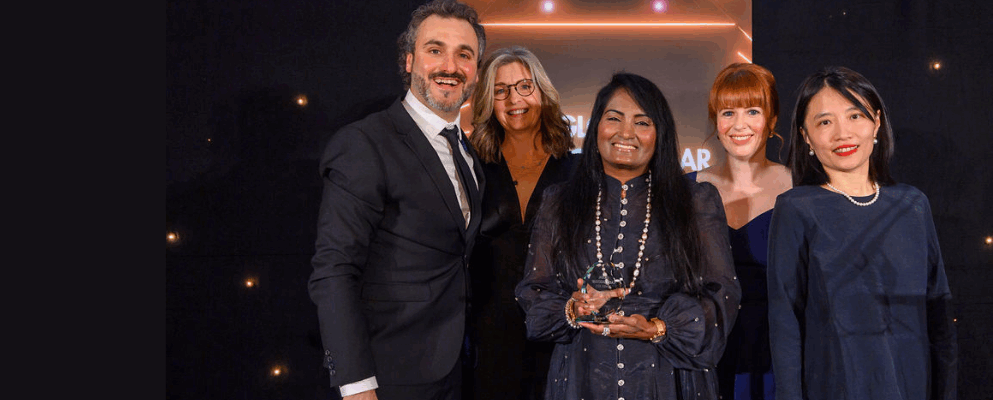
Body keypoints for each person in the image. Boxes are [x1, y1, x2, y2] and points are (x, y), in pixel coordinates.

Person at [515, 72, 741, 400]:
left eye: (642, 122)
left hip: (668, 377)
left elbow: (722, 296)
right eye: (614, 118)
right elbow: (533, 292)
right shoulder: (559, 202)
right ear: (595, 129)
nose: (626, 133)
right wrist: (573, 309)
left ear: (659, 134)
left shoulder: (695, 201)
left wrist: (659, 327)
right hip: (583, 375)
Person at [307, 1, 487, 399]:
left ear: (475, 71)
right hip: (386, 376)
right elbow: (334, 271)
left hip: (454, 370)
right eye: (435, 50)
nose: (450, 66)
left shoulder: (468, 154)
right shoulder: (365, 143)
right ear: (408, 61)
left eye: (465, 54)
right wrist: (355, 385)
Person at [767, 66, 957, 400]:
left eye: (855, 116)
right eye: (825, 122)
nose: (842, 133)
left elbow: (939, 316)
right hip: (835, 386)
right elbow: (785, 323)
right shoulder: (797, 207)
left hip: (912, 384)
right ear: (806, 136)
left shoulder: (912, 204)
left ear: (877, 123)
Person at [464, 45, 578, 400]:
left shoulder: (576, 170)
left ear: (543, 92)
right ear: (488, 101)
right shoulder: (471, 168)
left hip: (562, 328)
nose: (514, 98)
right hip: (489, 330)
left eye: (524, 86)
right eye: (501, 90)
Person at [688, 62, 791, 400]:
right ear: (716, 122)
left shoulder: (802, 192)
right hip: (703, 352)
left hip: (777, 354)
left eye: (752, 110)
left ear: (772, 120)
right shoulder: (685, 191)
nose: (739, 124)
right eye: (728, 112)